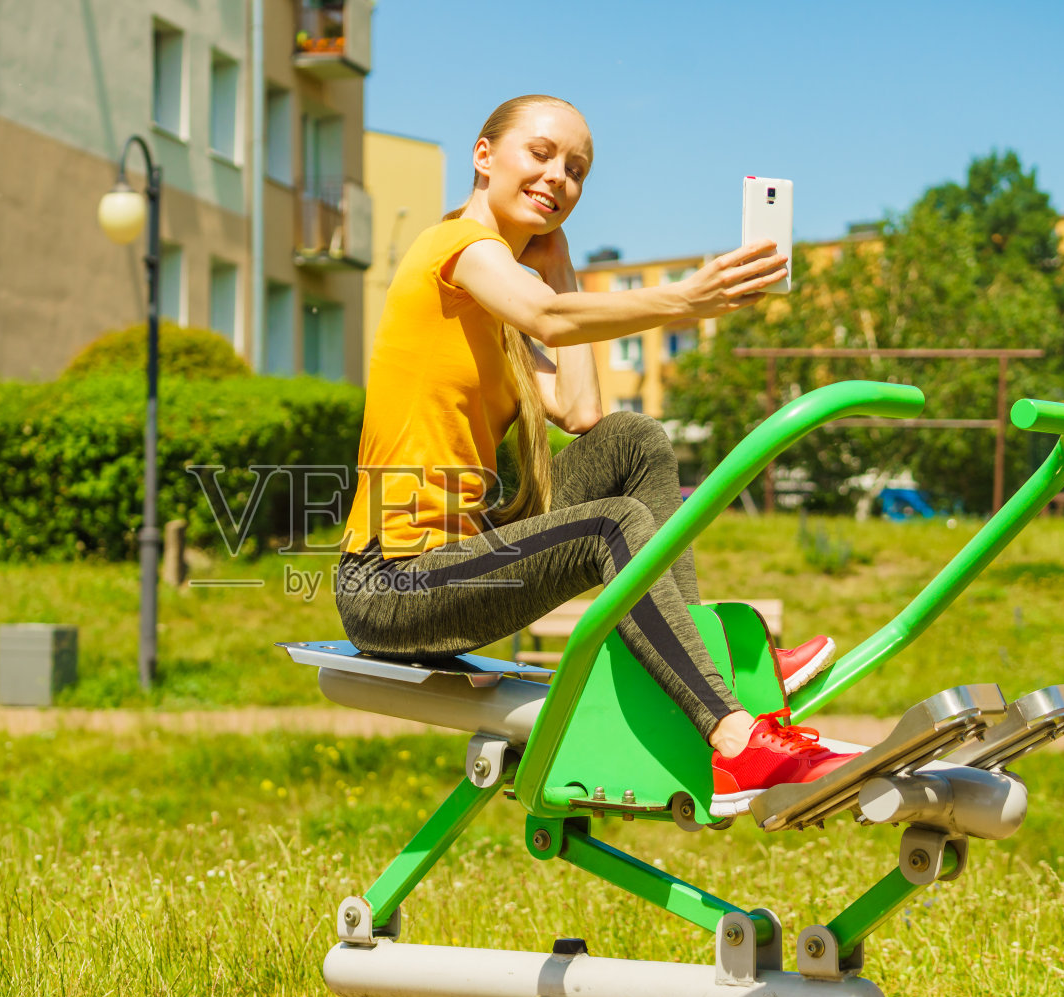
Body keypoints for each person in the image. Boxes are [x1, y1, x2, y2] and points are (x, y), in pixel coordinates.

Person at [334, 94, 851, 812]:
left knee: (633, 442)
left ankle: (701, 664)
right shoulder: (449, 250)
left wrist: (561, 262)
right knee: (610, 524)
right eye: (541, 154)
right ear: (484, 156)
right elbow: (547, 316)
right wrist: (683, 300)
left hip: (465, 562)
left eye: (576, 170)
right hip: (392, 586)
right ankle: (735, 738)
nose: (559, 178)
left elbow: (582, 412)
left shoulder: (504, 299)